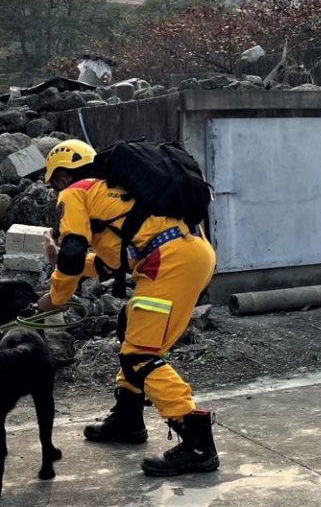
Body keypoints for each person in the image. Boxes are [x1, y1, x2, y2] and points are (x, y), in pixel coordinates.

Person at [38, 139, 219, 476]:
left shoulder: (75, 192)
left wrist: (55, 299)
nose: (55, 195)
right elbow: (113, 262)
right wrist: (59, 259)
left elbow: (74, 252)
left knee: (140, 355)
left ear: (62, 178)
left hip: (169, 262)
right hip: (189, 254)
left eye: (53, 186)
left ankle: (197, 441)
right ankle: (128, 419)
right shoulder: (115, 192)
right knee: (130, 329)